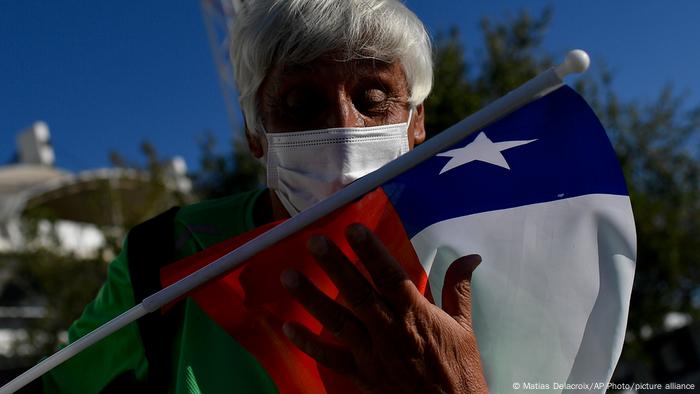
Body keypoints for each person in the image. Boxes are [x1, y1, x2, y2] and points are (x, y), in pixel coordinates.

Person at [40, 0, 488, 393]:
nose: (344, 130)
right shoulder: (168, 255)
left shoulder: (490, 236)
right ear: (256, 133)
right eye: (300, 104)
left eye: (372, 98)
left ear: (416, 121)